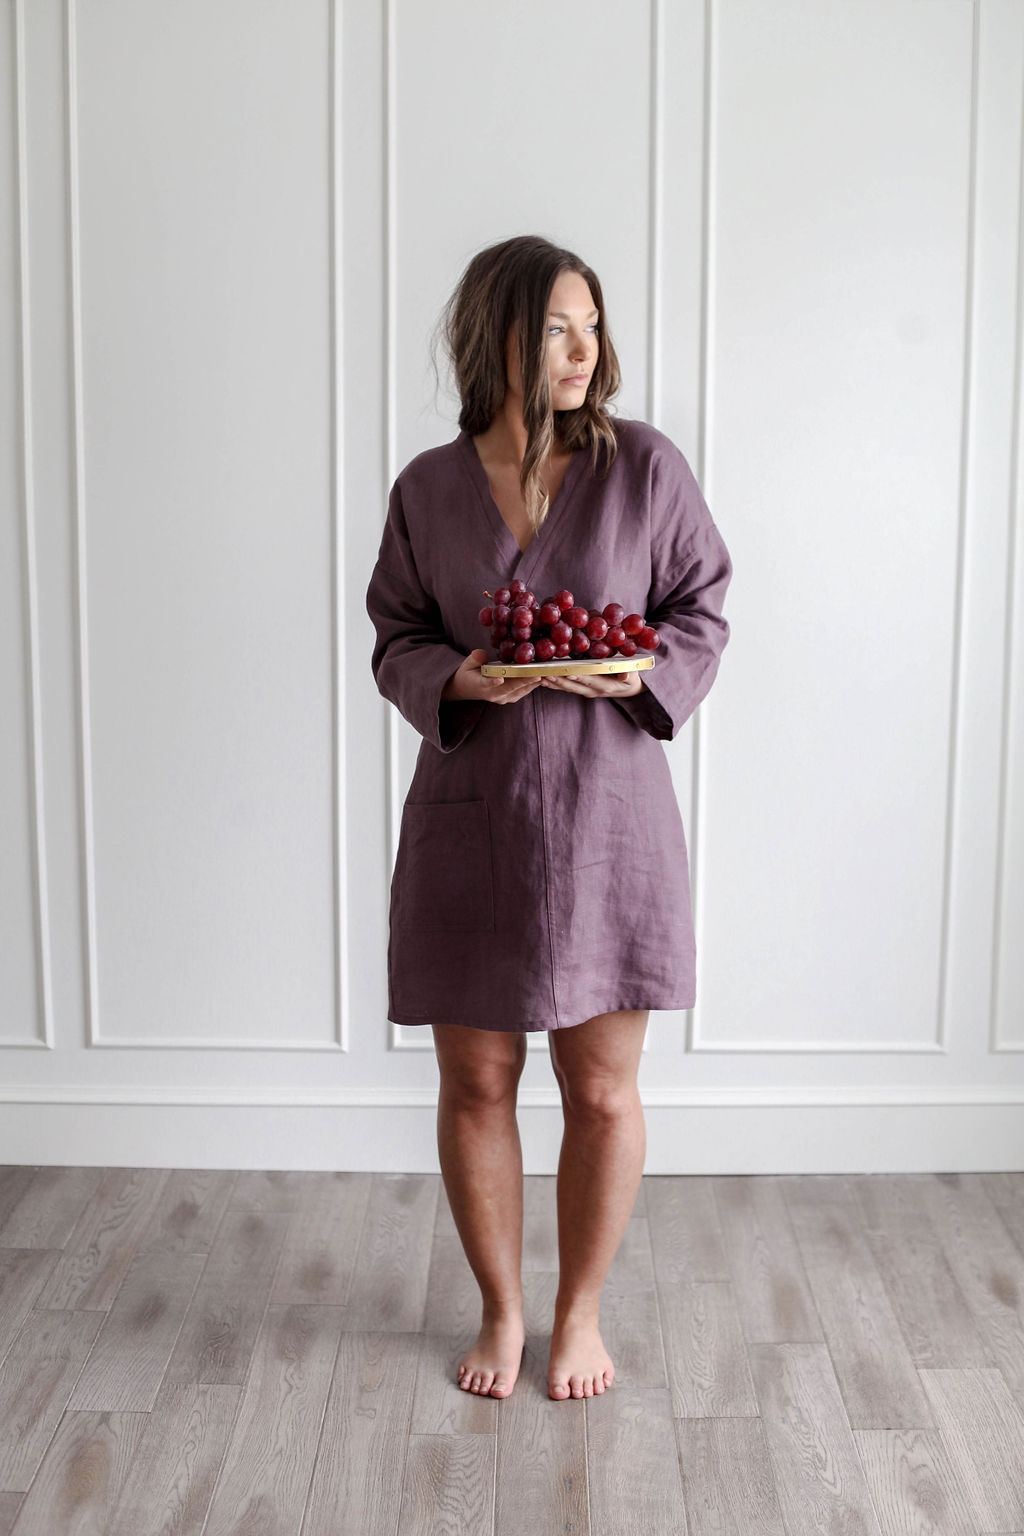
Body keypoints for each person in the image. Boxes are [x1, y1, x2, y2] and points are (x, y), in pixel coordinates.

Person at [365, 235, 732, 1401]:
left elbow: (701, 606)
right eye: (555, 329)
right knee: (476, 1084)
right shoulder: (428, 489)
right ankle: (502, 1311)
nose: (582, 350)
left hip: (608, 818)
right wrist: (460, 679)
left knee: (602, 1090)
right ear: (499, 340)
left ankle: (578, 1314)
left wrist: (640, 671)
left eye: (591, 325)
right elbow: (396, 635)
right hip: (470, 819)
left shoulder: (645, 469)